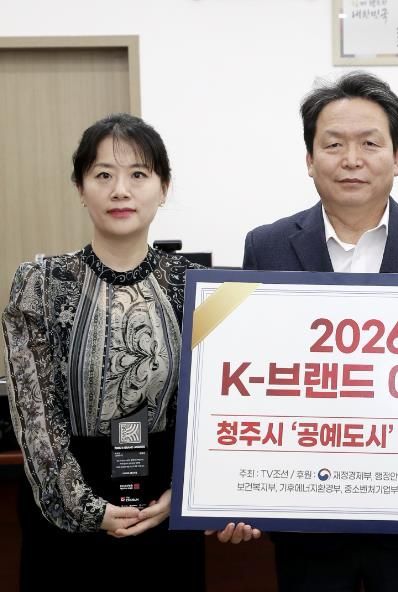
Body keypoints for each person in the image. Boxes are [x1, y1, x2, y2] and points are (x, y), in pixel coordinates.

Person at [2, 113, 254, 592]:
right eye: (103, 175)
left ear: (164, 187)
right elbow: (34, 415)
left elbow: (217, 408)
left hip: (164, 501)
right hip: (66, 512)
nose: (121, 190)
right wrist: (87, 510)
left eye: (138, 174)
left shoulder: (199, 288)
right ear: (80, 188)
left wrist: (184, 493)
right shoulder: (40, 285)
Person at [239, 71, 398, 592]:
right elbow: (250, 377)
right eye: (333, 144)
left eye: (370, 143)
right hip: (305, 514)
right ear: (309, 159)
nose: (351, 159)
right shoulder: (266, 247)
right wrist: (234, 490)